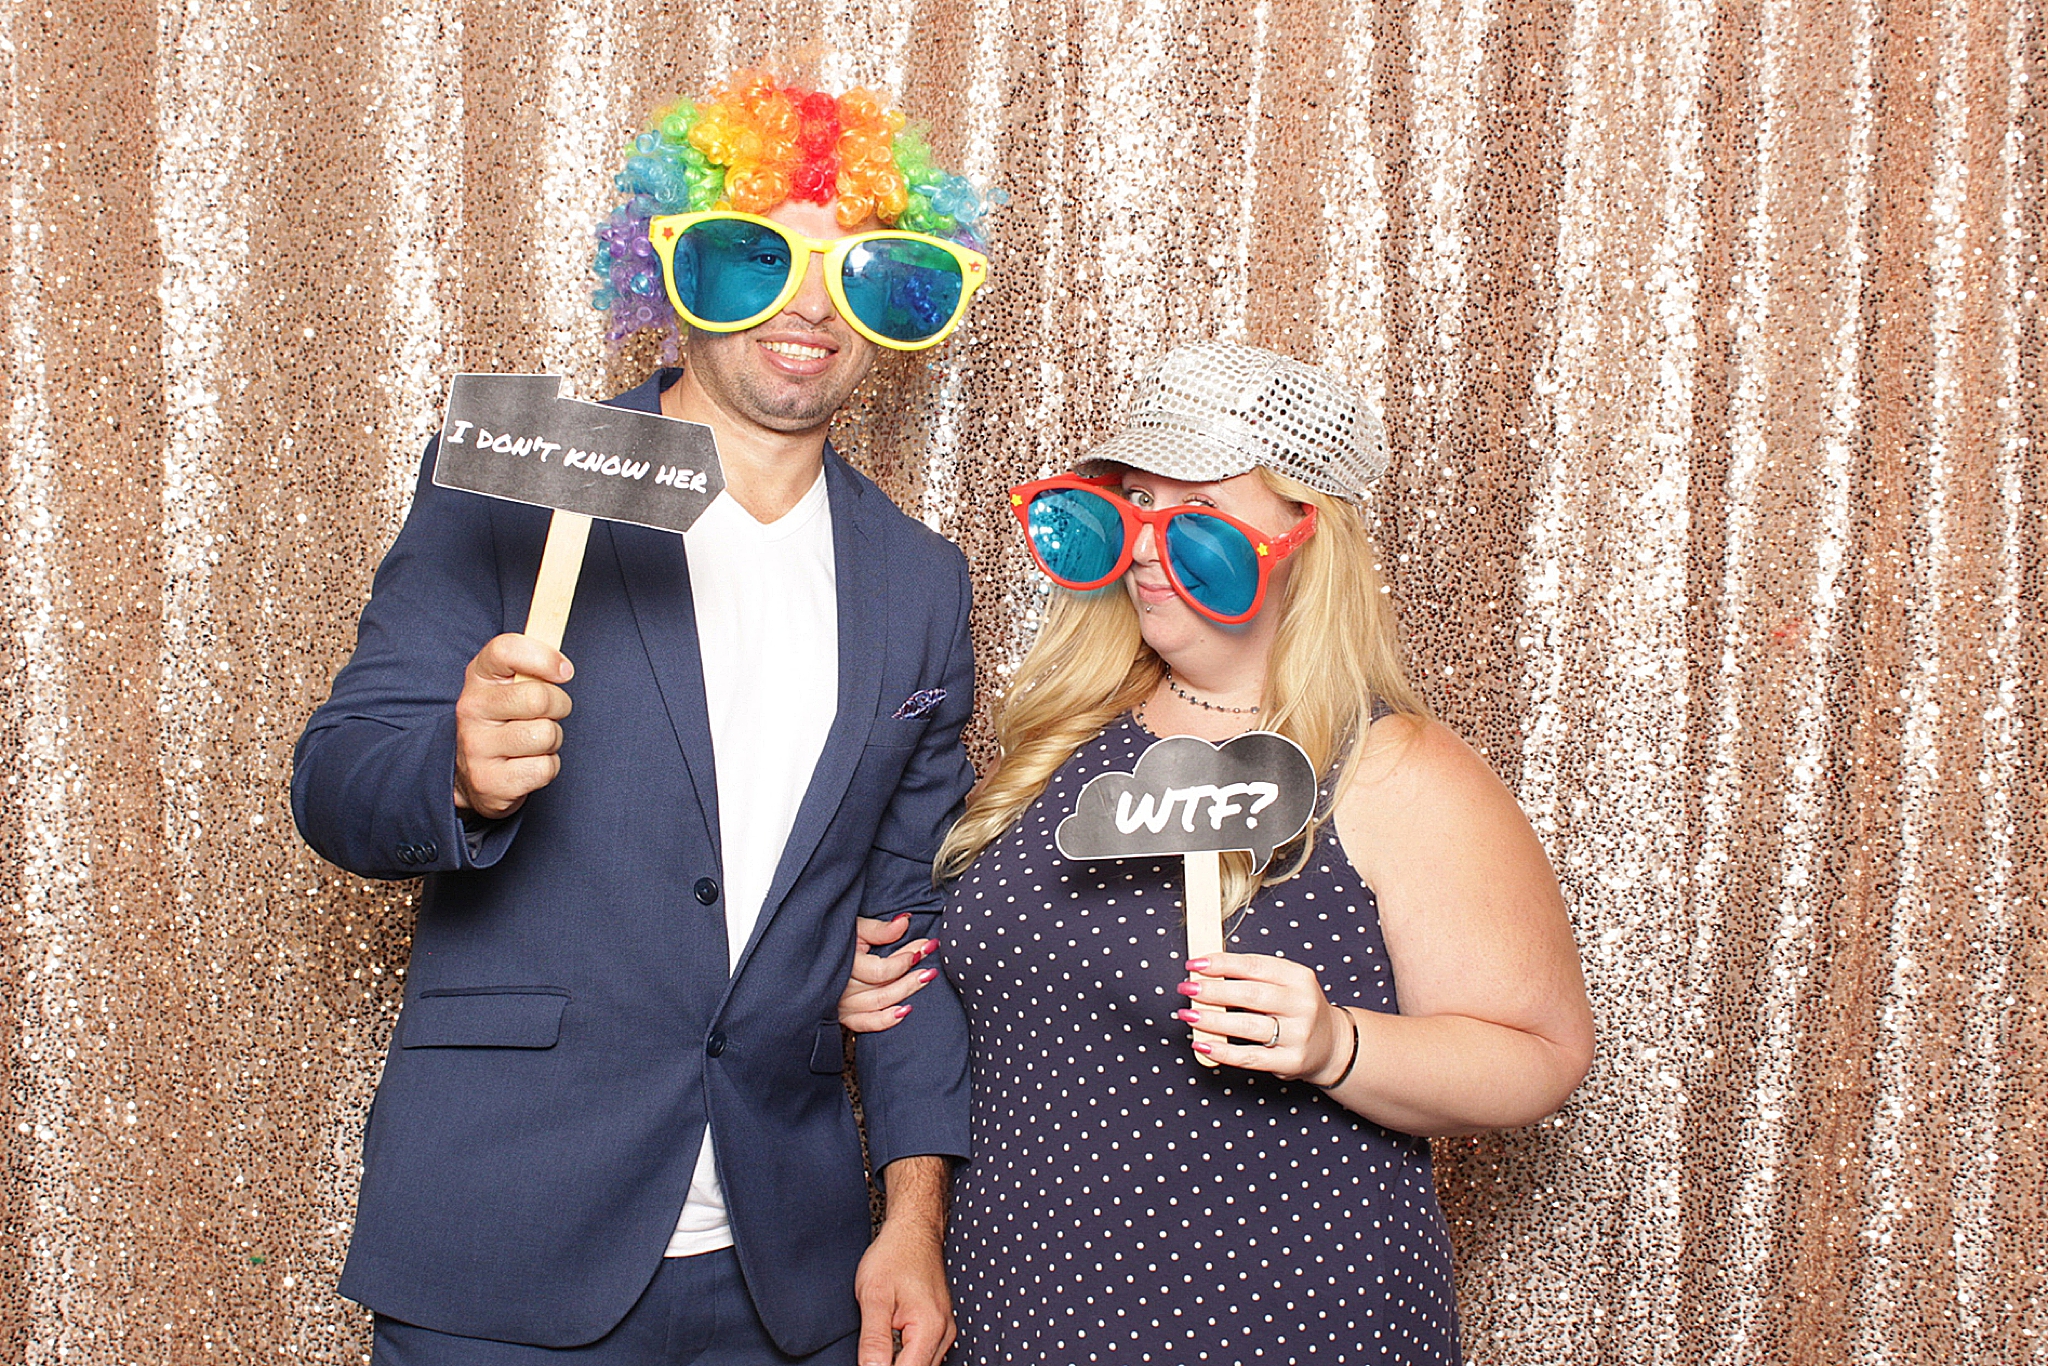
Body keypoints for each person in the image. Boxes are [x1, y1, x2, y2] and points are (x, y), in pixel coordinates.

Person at [292, 70, 996, 1366]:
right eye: (754, 252)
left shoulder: (920, 579)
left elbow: (907, 936)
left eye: (861, 269)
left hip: (786, 1273)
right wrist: (453, 768)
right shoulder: (513, 487)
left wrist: (911, 1215)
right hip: (506, 1238)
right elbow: (334, 779)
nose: (805, 299)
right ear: (667, 266)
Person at [840, 342, 1596, 1364]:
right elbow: (978, 982)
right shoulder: (1063, 744)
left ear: (1305, 537)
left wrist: (1338, 1045)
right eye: (1131, 503)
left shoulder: (1386, 768)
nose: (1147, 547)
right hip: (1018, 1302)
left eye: (1193, 512)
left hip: (1269, 1313)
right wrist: (857, 979)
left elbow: (1540, 1053)